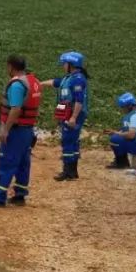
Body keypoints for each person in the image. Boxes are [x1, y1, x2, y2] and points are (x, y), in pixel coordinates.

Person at [0, 55, 41, 207]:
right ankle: (20, 195)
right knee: (23, 162)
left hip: (16, 130)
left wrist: (5, 130)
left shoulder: (16, 85)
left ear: (11, 67)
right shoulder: (33, 81)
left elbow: (15, 109)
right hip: (27, 130)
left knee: (7, 162)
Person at [48, 51, 89, 181]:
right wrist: (40, 84)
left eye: (64, 63)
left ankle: (68, 172)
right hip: (67, 113)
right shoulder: (69, 78)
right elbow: (56, 82)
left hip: (73, 114)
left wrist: (73, 118)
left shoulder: (77, 80)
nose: (63, 66)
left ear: (71, 64)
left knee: (68, 141)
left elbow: (79, 101)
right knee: (72, 141)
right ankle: (72, 171)